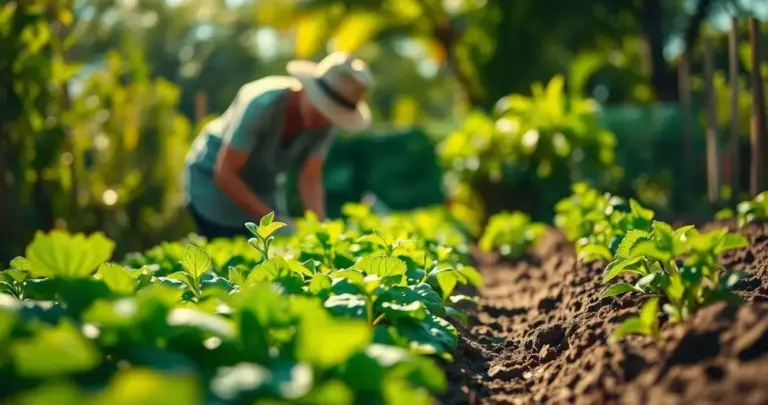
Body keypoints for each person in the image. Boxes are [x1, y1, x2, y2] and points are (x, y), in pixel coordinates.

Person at [182, 52, 374, 239]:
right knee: (227, 249)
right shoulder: (262, 103)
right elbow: (225, 174)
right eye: (322, 109)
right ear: (307, 89)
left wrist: (321, 230)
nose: (323, 120)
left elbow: (310, 179)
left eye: (331, 115)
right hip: (212, 184)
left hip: (263, 190)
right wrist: (276, 222)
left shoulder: (325, 124)